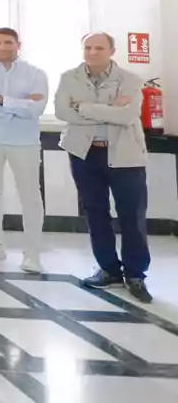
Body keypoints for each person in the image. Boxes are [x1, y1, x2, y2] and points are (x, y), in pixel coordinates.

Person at [56, 33, 152, 302]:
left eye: (99, 47)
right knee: (96, 213)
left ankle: (135, 274)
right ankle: (108, 269)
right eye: (88, 47)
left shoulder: (130, 80)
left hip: (125, 156)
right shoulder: (69, 77)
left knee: (131, 216)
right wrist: (107, 109)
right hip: (84, 155)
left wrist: (84, 107)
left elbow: (127, 116)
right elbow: (63, 113)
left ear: (112, 50)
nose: (92, 52)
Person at [0, 27, 48, 273]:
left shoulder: (36, 73)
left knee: (30, 197)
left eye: (7, 42)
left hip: (23, 140)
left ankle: (32, 253)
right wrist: (19, 103)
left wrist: (1, 100)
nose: (2, 47)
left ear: (18, 44)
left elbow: (36, 109)